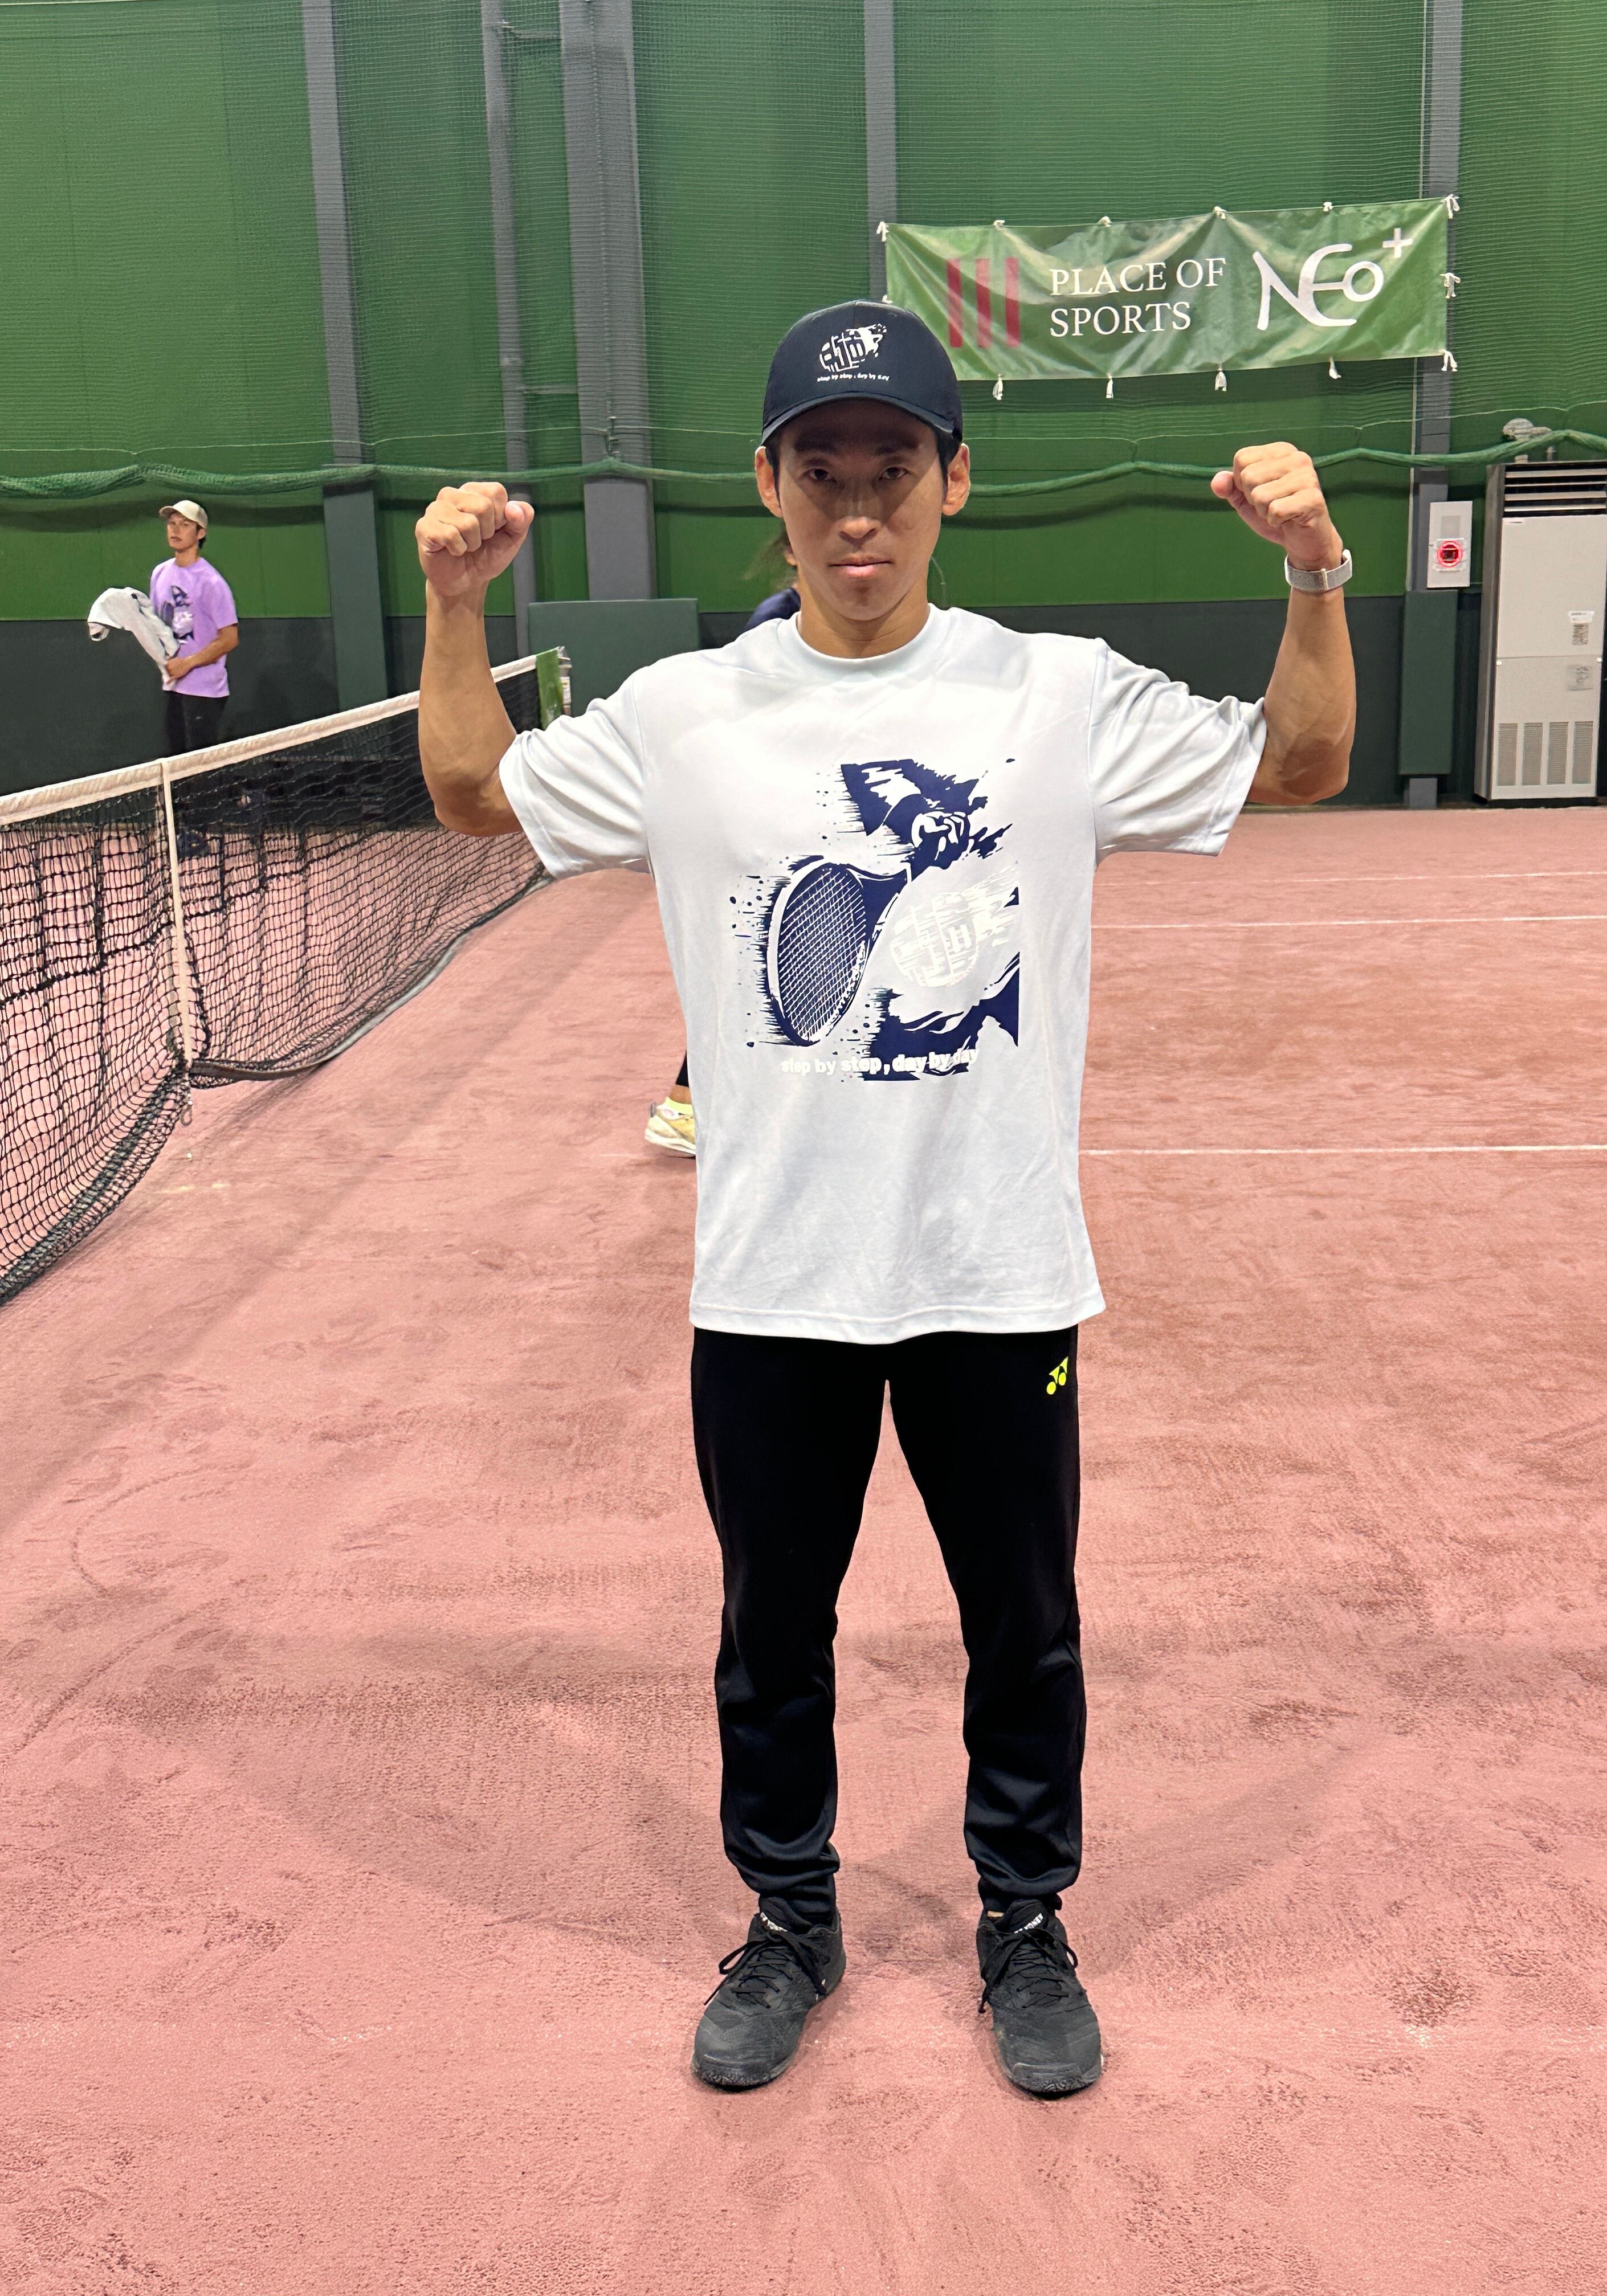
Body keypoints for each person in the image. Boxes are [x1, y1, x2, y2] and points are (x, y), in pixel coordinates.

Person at [413, 300, 1353, 2098]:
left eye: (894, 468)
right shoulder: (686, 716)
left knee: (1027, 1630)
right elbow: (471, 793)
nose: (861, 507)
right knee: (772, 1637)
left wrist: (1314, 574)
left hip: (999, 1273)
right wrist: (454, 610)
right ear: (770, 490)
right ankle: (790, 1918)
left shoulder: (1056, 695)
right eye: (824, 471)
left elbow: (1302, 760)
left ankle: (1025, 1920)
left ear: (953, 484)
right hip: (774, 1283)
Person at [644, 552, 800, 1160]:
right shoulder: (776, 622)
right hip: (764, 831)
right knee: (749, 977)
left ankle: (695, 1106)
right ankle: (687, 1109)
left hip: (782, 826)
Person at [150, 500, 239, 753]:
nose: (175, 529)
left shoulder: (212, 583)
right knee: (174, 765)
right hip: (171, 687)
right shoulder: (160, 573)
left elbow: (230, 638)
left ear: (200, 533)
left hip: (205, 693)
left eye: (185, 524)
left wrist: (187, 664)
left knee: (201, 769)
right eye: (172, 523)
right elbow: (158, 625)